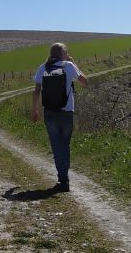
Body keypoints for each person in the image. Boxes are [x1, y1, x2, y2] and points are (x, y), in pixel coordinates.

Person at [30, 43, 88, 192]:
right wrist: (73, 62)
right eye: (66, 52)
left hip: (49, 112)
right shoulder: (69, 66)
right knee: (65, 144)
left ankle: (62, 178)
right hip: (66, 112)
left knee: (56, 146)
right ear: (62, 54)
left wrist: (35, 110)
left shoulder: (42, 68)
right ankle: (64, 177)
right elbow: (84, 82)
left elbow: (36, 92)